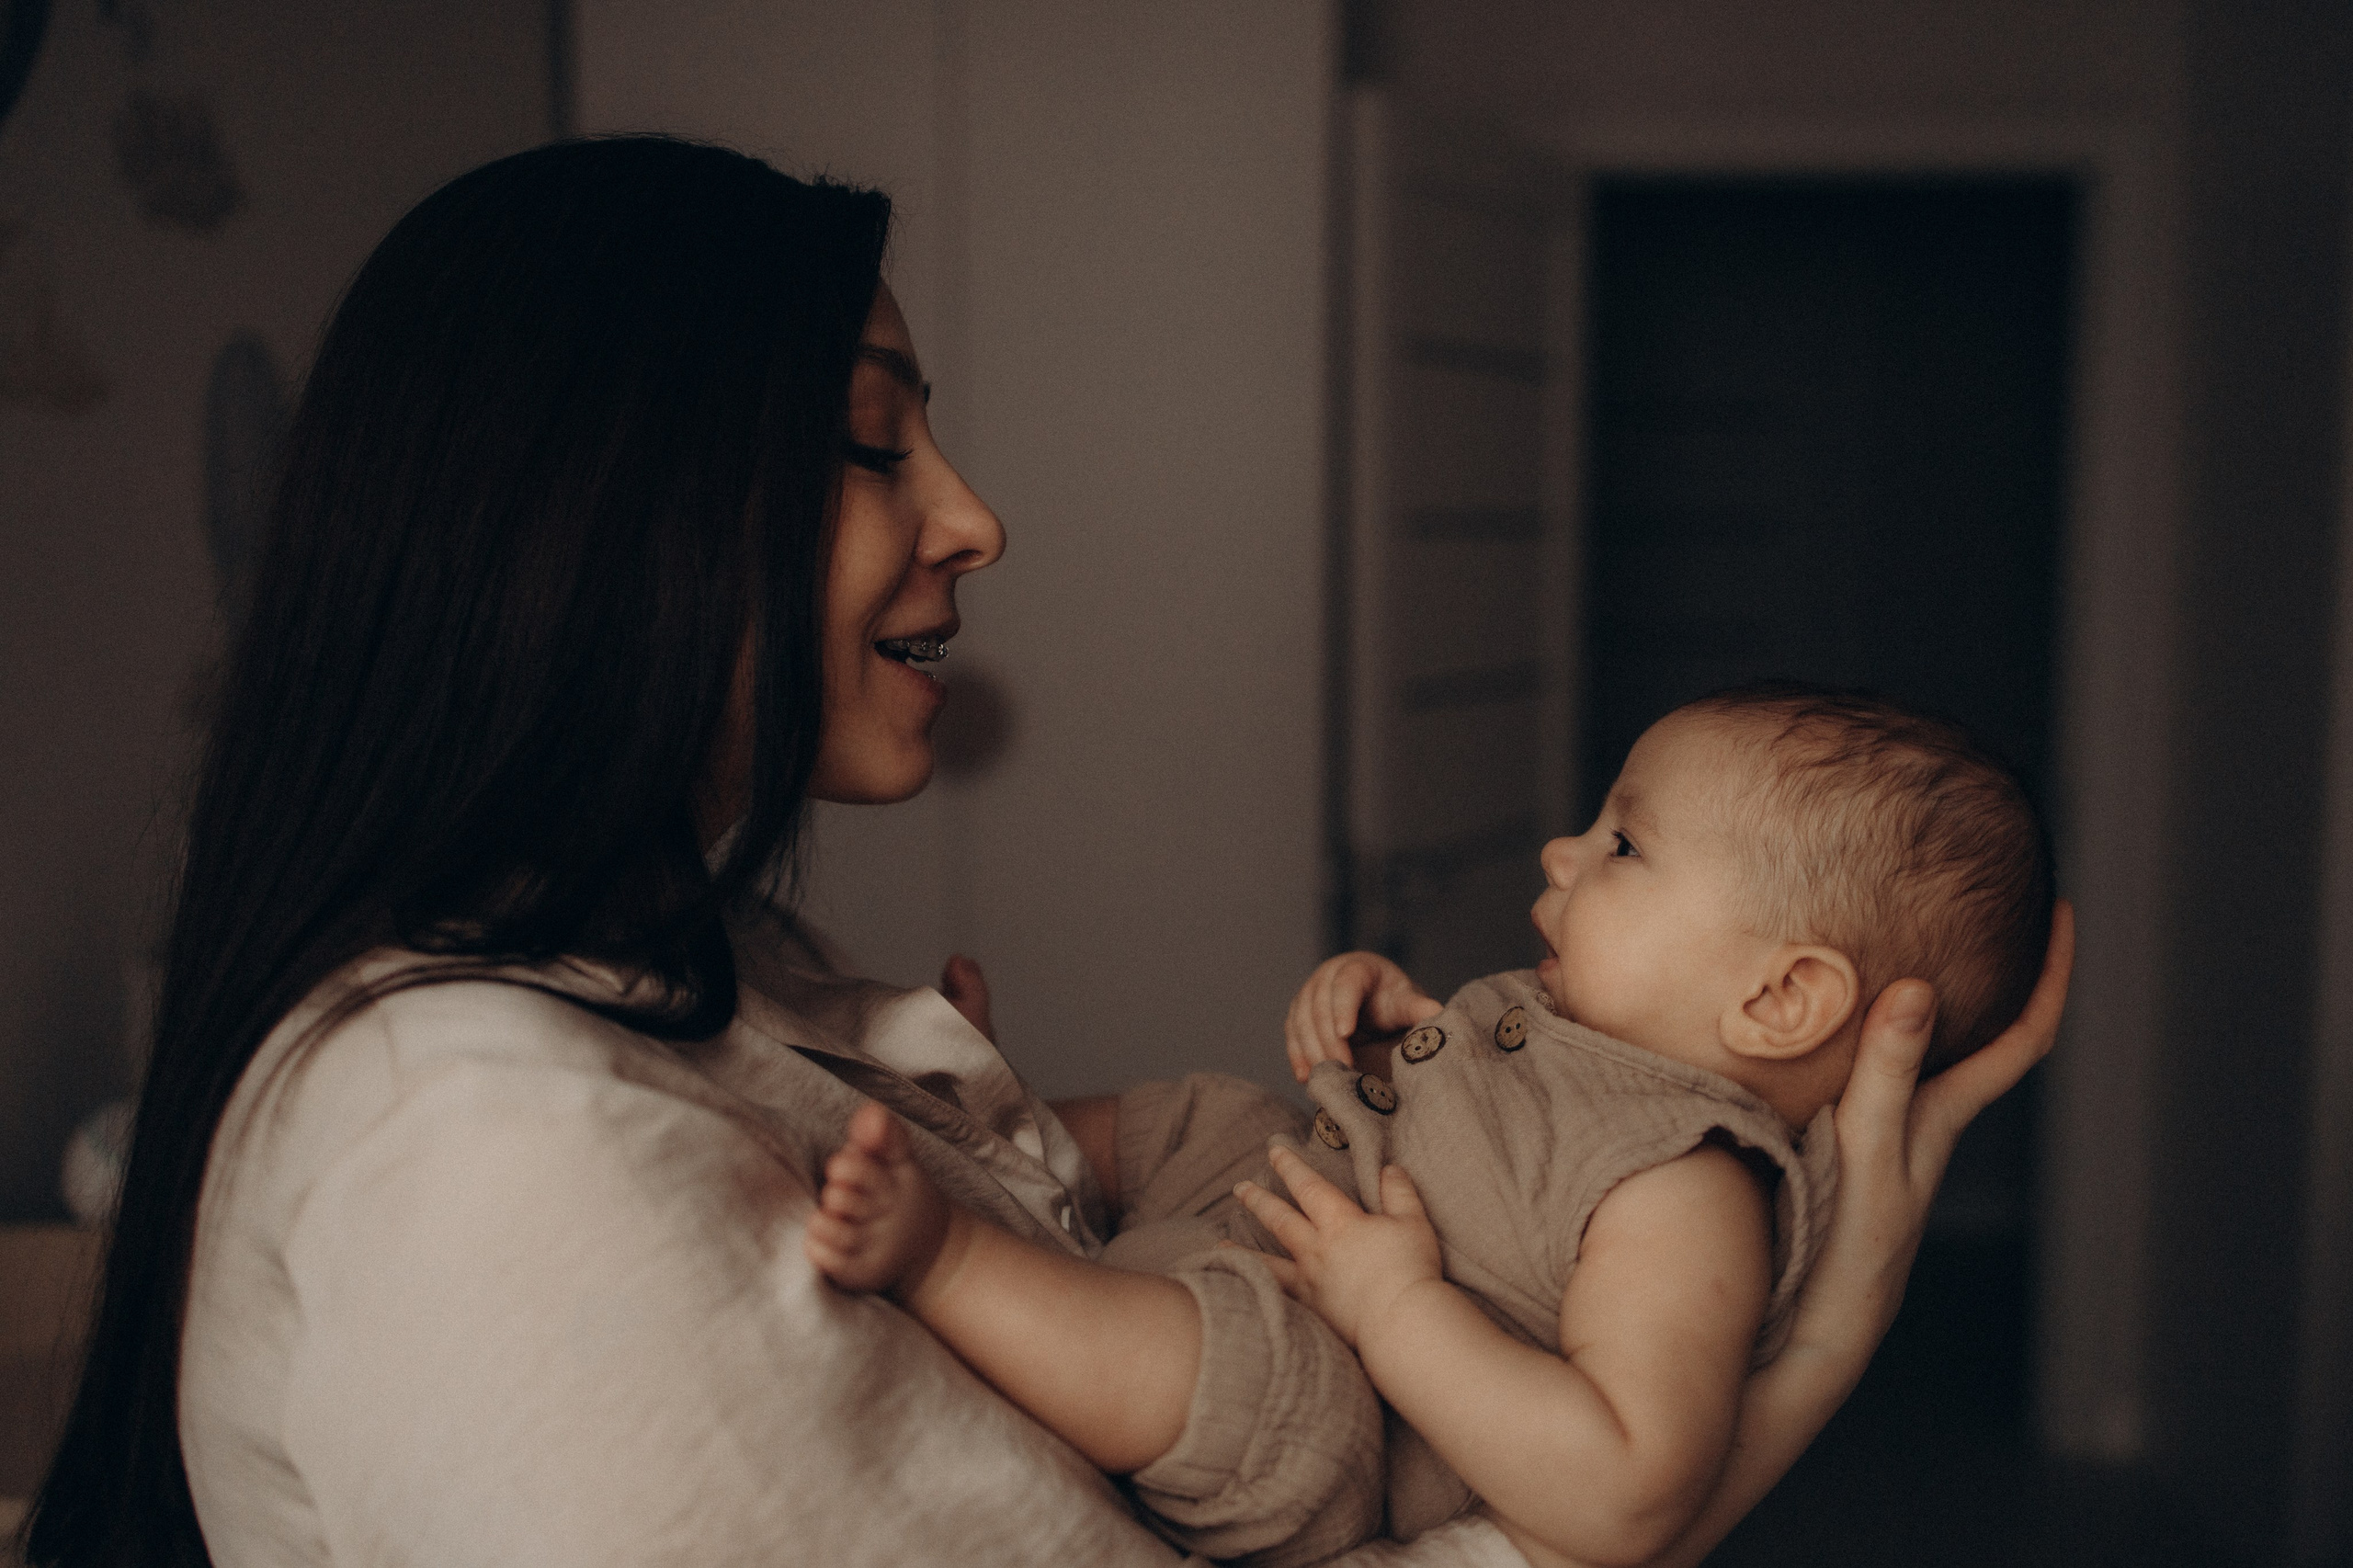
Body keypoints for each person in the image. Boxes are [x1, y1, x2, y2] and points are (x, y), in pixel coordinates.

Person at [21, 135, 2074, 1568]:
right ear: (601, 517)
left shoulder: (652, 979)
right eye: (869, 438)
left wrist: (977, 1130)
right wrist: (1809, 1356)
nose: (975, 514)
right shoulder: (485, 1162)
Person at [803, 685, 2054, 1564]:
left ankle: (947, 1253)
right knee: (1216, 1112)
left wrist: (1396, 1308)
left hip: (1347, 1408)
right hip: (1309, 1206)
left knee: (1254, 1371)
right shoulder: (1588, 1041)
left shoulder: (1688, 1187)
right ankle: (990, 1126)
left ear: (1779, 998)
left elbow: (1626, 1487)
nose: (1566, 849)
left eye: (1626, 843)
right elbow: (1467, 1132)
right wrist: (1385, 1029)